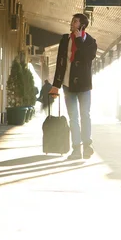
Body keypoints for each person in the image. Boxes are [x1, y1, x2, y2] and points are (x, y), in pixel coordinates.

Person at [49, 13, 97, 160]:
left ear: (82, 25)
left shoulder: (90, 42)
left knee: (85, 115)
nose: (71, 23)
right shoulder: (65, 40)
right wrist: (56, 85)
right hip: (67, 85)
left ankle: (87, 145)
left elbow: (86, 58)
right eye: (72, 20)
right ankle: (76, 149)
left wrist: (78, 40)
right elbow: (60, 63)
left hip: (84, 86)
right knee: (73, 118)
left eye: (75, 21)